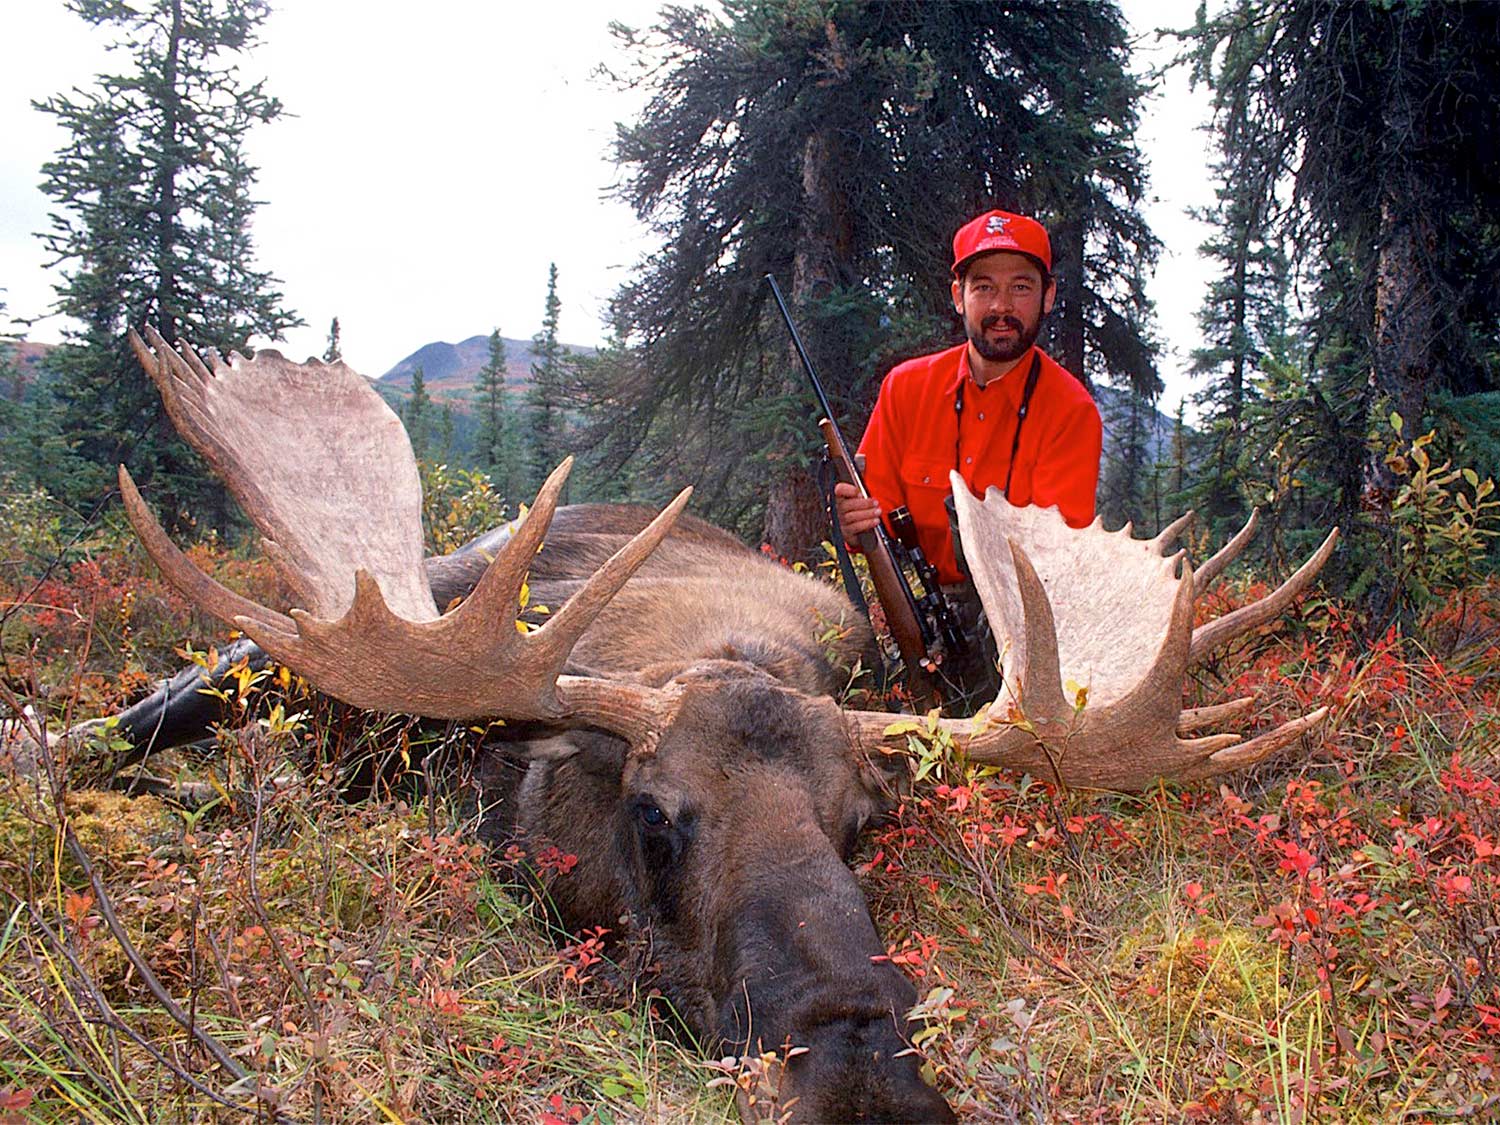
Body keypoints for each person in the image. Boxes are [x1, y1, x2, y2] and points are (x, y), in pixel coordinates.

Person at [833, 208, 1102, 703]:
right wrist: (853, 523)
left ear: (1048, 296)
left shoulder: (1072, 412)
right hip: (921, 612)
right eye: (984, 287)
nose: (1002, 305)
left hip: (1024, 624)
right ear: (958, 296)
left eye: (1021, 287)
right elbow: (874, 529)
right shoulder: (905, 390)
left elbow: (1054, 565)